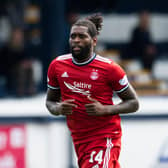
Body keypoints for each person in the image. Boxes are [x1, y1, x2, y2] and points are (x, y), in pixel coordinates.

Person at [46, 13, 139, 168]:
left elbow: (133, 102)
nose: (76, 40)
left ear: (94, 41)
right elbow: (50, 101)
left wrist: (105, 109)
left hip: (105, 135)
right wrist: (58, 108)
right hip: (80, 139)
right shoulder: (57, 66)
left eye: (82, 36)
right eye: (73, 36)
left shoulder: (110, 69)